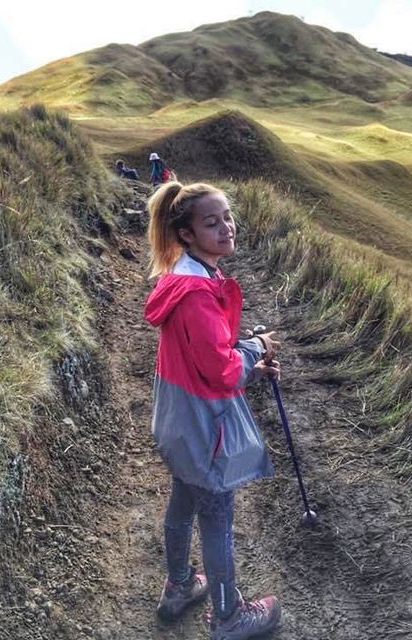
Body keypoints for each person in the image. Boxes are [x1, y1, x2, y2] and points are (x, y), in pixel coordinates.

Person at [144, 181, 283, 639]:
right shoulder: (199, 295)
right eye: (212, 222)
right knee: (218, 515)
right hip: (206, 428)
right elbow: (223, 372)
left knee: (184, 501)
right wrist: (254, 349)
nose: (226, 228)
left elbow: (206, 357)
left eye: (227, 217)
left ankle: (180, 586)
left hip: (178, 421)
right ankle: (228, 617)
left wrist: (248, 362)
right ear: (186, 234)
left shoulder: (178, 280)